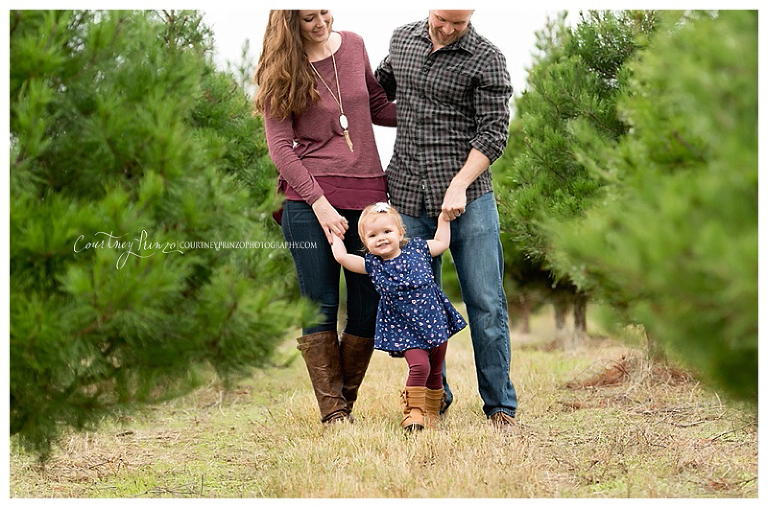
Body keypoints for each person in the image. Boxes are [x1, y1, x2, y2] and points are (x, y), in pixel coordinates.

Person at [374, 10, 520, 433]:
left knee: (485, 302)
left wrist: (459, 184)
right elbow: (373, 92)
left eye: (458, 22)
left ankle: (499, 405)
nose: (448, 29)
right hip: (406, 195)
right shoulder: (402, 39)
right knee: (416, 303)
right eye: (442, 18)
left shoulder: (487, 58)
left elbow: (494, 133)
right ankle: (435, 397)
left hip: (468, 198)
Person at [253, 10, 396, 425]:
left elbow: (377, 107)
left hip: (368, 194)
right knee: (320, 305)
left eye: (324, 11)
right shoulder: (279, 70)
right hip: (308, 202)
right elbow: (280, 148)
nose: (321, 22)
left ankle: (343, 403)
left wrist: (432, 116)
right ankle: (334, 414)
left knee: (368, 305)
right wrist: (318, 202)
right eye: (308, 18)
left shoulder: (353, 45)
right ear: (289, 24)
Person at [330, 202, 466, 432]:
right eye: (372, 235)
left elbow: (442, 242)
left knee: (435, 370)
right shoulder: (373, 265)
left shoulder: (418, 249)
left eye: (387, 232)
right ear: (365, 243)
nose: (381, 238)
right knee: (420, 366)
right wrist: (335, 235)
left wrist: (444, 217)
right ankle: (413, 411)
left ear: (400, 232)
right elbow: (343, 259)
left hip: (435, 322)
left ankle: (431, 412)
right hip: (405, 329)